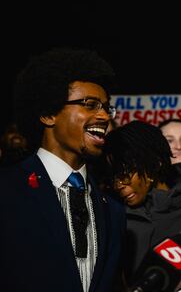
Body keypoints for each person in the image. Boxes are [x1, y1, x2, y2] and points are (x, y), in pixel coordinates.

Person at [0, 48, 126, 292]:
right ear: (48, 114)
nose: (103, 115)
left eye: (106, 108)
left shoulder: (113, 209)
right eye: (89, 104)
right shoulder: (7, 190)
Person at [103, 120, 181, 283]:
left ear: (155, 163)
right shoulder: (114, 215)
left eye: (125, 174)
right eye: (113, 177)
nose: (118, 185)